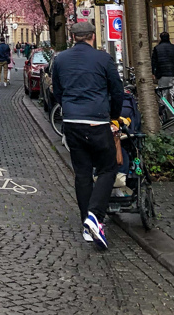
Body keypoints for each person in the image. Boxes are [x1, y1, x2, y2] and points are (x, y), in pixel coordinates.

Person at [51, 20, 124, 250]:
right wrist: (114, 114)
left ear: (73, 37)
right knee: (108, 168)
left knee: (82, 173)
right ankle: (95, 215)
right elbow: (117, 90)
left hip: (72, 122)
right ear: (93, 36)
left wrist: (69, 107)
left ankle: (87, 225)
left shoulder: (60, 59)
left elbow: (57, 89)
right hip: (97, 121)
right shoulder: (103, 59)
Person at [151, 31, 174, 102]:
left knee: (163, 95)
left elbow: (154, 62)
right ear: (169, 38)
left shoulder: (157, 48)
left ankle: (164, 110)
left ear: (160, 38)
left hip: (163, 74)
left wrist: (153, 73)